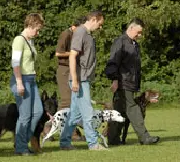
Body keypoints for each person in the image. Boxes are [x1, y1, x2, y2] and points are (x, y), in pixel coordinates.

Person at [105, 18, 160, 145]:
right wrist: (114, 79)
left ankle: (113, 139)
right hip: (123, 82)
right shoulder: (121, 42)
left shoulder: (134, 44)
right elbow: (113, 62)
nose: (140, 35)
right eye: (138, 32)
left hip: (130, 83)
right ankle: (144, 137)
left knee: (118, 112)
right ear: (131, 28)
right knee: (133, 109)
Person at [59, 10, 105, 151]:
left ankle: (65, 142)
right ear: (94, 19)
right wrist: (75, 80)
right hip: (80, 79)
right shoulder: (80, 32)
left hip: (83, 78)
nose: (100, 27)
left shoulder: (87, 34)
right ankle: (93, 144)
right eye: (100, 24)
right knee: (88, 112)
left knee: (75, 114)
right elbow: (72, 56)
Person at [9, 13, 44, 156]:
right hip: (22, 79)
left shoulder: (30, 41)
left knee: (38, 112)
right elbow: (15, 63)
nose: (38, 32)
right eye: (37, 29)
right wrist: (19, 83)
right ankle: (21, 147)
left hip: (31, 79)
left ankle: (21, 141)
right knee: (25, 115)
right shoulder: (19, 40)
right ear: (30, 25)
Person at [55, 17, 86, 141]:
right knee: (66, 101)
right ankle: (71, 132)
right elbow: (58, 53)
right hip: (64, 69)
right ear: (74, 26)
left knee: (72, 101)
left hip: (72, 69)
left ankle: (50, 127)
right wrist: (74, 53)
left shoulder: (75, 35)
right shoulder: (66, 34)